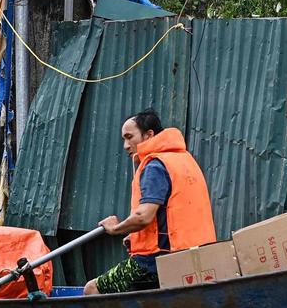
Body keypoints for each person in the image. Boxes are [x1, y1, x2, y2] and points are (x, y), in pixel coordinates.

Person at [85, 109, 216, 294]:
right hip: (196, 256)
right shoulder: (184, 160)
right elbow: (172, 215)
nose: (125, 145)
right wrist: (135, 237)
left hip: (160, 261)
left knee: (91, 289)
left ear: (149, 135)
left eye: (130, 137)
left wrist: (115, 228)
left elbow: (143, 217)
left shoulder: (155, 166)